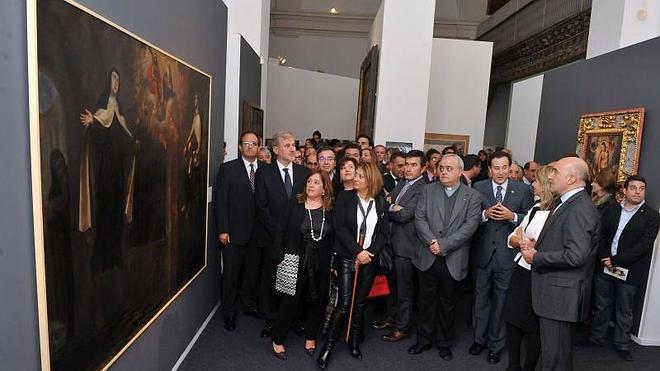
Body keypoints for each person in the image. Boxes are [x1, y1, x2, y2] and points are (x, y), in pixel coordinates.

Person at [520, 157, 600, 371]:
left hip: (560, 297)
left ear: (571, 178)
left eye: (555, 171)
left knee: (555, 359)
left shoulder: (579, 208)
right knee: (554, 356)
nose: (550, 176)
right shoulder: (568, 202)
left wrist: (537, 257)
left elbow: (576, 255)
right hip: (557, 295)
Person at [408, 154, 482, 361]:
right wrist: (432, 242)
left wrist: (444, 245)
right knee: (425, 301)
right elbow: (419, 218)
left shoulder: (473, 196)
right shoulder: (427, 190)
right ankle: (423, 340)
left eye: (449, 168)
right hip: (427, 255)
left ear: (460, 172)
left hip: (453, 258)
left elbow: (470, 227)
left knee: (448, 304)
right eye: (441, 168)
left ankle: (444, 342)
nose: (444, 172)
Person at [316, 162, 390, 369]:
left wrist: (370, 253)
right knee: (344, 303)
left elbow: (383, 233)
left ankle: (353, 341)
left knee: (360, 303)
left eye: (359, 175)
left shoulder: (381, 203)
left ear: (370, 179)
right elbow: (339, 228)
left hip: (370, 259)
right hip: (348, 256)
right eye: (354, 174)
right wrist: (358, 252)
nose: (354, 178)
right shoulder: (344, 198)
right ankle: (328, 347)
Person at [585, 175, 660, 361]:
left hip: (630, 270)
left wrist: (615, 260)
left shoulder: (652, 216)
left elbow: (644, 245)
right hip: (604, 266)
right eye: (633, 187)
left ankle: (622, 344)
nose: (637, 191)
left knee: (624, 310)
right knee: (602, 305)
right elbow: (600, 234)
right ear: (624, 190)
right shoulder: (611, 209)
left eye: (641, 188)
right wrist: (605, 257)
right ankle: (597, 338)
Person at [470, 151, 534, 365]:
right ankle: (478, 339)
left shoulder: (524, 189)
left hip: (508, 257)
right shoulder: (479, 188)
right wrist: (483, 215)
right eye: (495, 168)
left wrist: (512, 217)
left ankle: (495, 345)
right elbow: (469, 218)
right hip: (483, 254)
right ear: (490, 169)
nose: (500, 172)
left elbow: (530, 219)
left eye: (504, 168)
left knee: (501, 303)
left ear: (510, 168)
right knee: (480, 300)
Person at [271, 170, 334, 360]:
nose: (311, 185)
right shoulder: (295, 204)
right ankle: (278, 339)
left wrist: (333, 262)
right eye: (309, 181)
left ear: (324, 189)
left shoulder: (330, 209)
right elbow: (280, 230)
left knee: (316, 299)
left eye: (316, 182)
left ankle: (311, 336)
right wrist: (279, 256)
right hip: (294, 258)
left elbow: (334, 237)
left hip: (320, 262)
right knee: (290, 300)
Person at [79, 67, 136, 272]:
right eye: (113, 79)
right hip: (105, 172)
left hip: (117, 173)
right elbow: (98, 136)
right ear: (107, 82)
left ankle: (115, 255)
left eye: (118, 80)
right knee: (105, 212)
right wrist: (93, 123)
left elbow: (124, 137)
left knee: (116, 215)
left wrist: (133, 143)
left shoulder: (118, 108)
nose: (116, 83)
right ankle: (101, 258)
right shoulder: (102, 107)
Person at [255, 132, 310, 337]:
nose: (292, 148)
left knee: (294, 280)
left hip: (298, 239)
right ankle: (271, 320)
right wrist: (280, 231)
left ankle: (292, 320)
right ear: (276, 150)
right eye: (287, 145)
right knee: (271, 279)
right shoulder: (264, 173)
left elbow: (307, 204)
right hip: (272, 237)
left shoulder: (304, 173)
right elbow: (261, 207)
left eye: (293, 145)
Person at [503, 164, 558, 371]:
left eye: (536, 180)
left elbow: (543, 244)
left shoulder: (557, 214)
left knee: (532, 326)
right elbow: (512, 237)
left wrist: (524, 241)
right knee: (512, 319)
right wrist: (521, 242)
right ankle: (513, 365)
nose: (532, 183)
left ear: (545, 185)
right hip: (521, 271)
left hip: (539, 274)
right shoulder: (535, 209)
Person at [214, 131, 265, 331]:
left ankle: (249, 305)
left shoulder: (266, 170)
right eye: (247, 143)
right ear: (240, 147)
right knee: (231, 274)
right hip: (233, 233)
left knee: (252, 273)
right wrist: (223, 229)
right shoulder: (228, 169)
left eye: (254, 144)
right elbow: (220, 202)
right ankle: (229, 313)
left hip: (258, 234)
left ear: (259, 147)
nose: (251, 147)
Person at [382, 150, 427, 342]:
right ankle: (392, 318)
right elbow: (385, 206)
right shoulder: (402, 183)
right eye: (406, 164)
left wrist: (392, 207)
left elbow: (405, 215)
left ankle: (403, 327)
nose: (407, 168)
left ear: (423, 168)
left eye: (413, 165)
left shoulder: (424, 188)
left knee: (405, 289)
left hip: (407, 247)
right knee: (392, 286)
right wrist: (392, 207)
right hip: (392, 243)